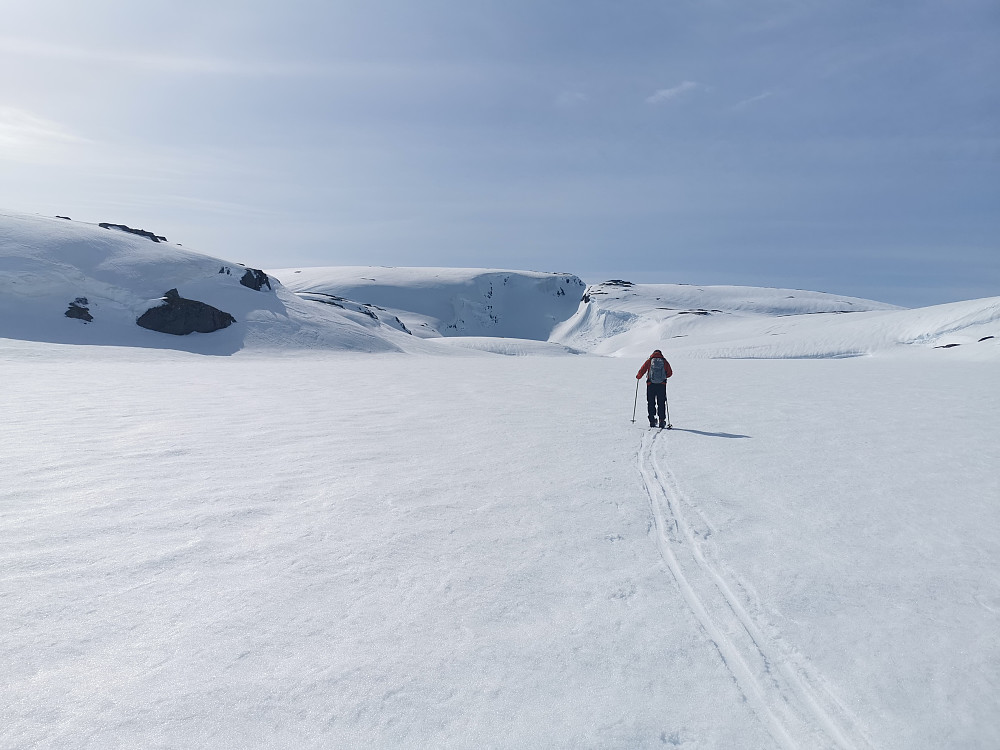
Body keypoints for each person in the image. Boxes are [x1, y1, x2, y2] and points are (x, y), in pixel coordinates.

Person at [636, 349, 673, 428]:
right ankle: (661, 421)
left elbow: (642, 370)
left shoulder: (649, 361)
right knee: (661, 402)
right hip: (662, 385)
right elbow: (670, 373)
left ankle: (652, 420)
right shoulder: (664, 361)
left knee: (651, 402)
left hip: (650, 385)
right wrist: (663, 377)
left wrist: (638, 376)